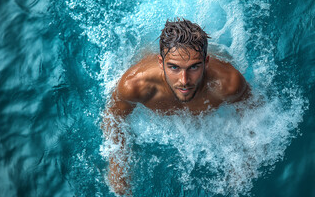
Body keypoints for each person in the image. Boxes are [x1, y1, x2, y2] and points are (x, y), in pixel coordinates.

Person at [102, 18, 251, 195]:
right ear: (160, 62)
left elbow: (255, 118)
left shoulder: (228, 83)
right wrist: (118, 170)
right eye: (174, 67)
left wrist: (242, 169)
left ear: (206, 62)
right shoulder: (135, 86)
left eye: (194, 67)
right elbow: (114, 118)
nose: (184, 80)